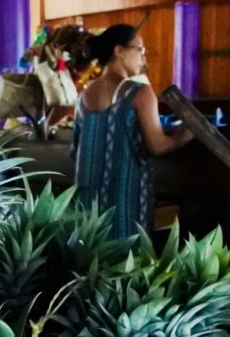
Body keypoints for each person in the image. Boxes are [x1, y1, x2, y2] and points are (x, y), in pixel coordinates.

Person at [73, 24, 194, 238]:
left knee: (90, 264)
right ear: (119, 51)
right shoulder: (139, 93)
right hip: (124, 202)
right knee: (128, 264)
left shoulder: (83, 97)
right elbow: (157, 146)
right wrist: (185, 135)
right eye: (140, 50)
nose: (143, 58)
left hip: (86, 208)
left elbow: (76, 149)